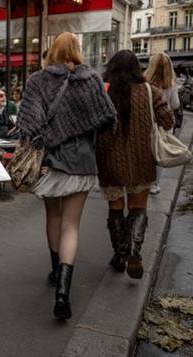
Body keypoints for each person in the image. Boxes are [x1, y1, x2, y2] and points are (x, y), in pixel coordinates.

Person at [16, 32, 117, 320]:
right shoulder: (92, 81)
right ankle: (63, 292)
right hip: (82, 161)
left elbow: (30, 125)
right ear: (77, 51)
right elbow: (108, 118)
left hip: (51, 162)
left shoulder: (38, 80)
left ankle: (55, 270)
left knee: (54, 219)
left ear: (52, 51)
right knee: (72, 226)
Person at [98, 50, 174, 279]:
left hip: (110, 159)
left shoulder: (104, 91)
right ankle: (133, 251)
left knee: (116, 209)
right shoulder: (151, 91)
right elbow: (168, 120)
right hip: (141, 160)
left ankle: (119, 256)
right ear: (136, 69)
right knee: (139, 207)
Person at [144, 53, 180, 195]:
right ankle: (155, 184)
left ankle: (145, 181)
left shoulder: (145, 82)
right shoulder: (170, 84)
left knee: (147, 154)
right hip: (164, 124)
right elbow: (175, 104)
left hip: (148, 122)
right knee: (160, 153)